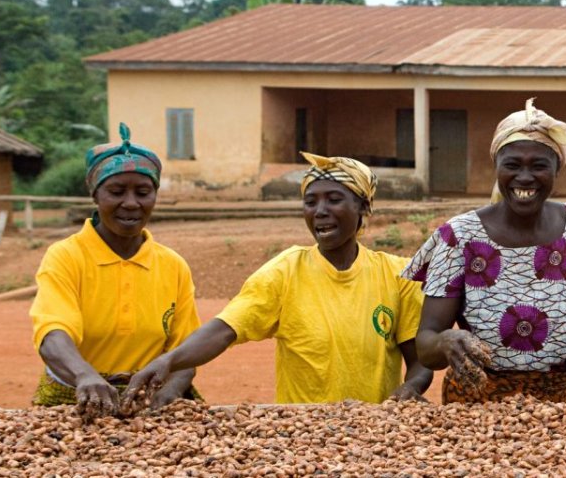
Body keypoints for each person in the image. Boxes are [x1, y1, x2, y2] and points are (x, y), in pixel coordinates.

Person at [123, 152, 429, 407]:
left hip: (372, 428)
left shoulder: (396, 275)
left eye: (334, 200)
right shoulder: (285, 272)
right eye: (311, 202)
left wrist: (410, 388)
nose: (320, 211)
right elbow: (225, 330)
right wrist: (169, 361)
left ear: (362, 206)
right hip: (302, 433)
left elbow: (420, 360)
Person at [403, 98, 566, 405]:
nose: (525, 177)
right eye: (512, 165)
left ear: (557, 169)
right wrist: (445, 341)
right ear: (496, 167)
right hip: (476, 407)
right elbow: (426, 342)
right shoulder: (458, 237)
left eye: (539, 166)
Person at [29, 124, 200, 420]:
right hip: (76, 392)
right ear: (95, 195)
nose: (131, 203)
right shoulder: (66, 256)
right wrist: (85, 375)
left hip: (152, 399)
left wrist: (167, 395)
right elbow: (52, 333)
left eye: (143, 192)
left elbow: (186, 352)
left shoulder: (172, 265)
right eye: (116, 191)